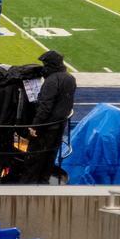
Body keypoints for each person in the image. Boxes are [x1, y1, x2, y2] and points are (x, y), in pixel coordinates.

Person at [23, 50, 76, 184]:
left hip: (47, 127)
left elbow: (45, 106)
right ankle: (44, 181)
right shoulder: (70, 78)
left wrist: (35, 126)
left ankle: (30, 184)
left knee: (35, 157)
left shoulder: (52, 81)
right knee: (50, 156)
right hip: (60, 126)